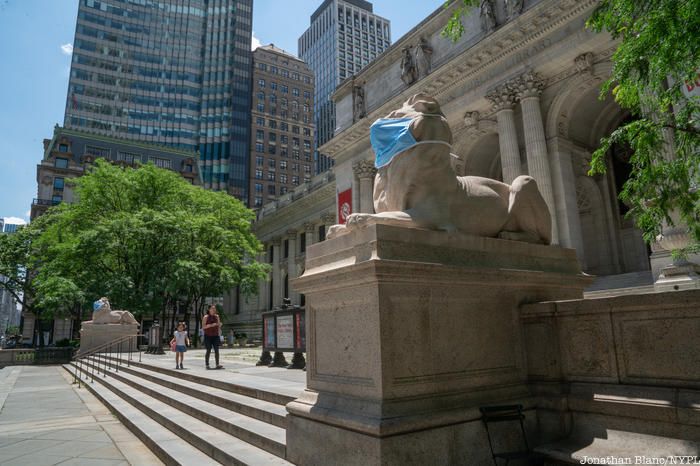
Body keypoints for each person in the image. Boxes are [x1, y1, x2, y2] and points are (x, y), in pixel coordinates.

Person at [202, 305, 223, 369]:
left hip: (215, 335)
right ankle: (207, 365)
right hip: (208, 336)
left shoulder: (217, 316)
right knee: (208, 350)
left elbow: (219, 326)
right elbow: (203, 327)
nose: (214, 310)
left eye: (214, 309)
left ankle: (217, 364)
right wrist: (211, 325)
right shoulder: (206, 317)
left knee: (217, 350)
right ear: (209, 310)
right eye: (212, 308)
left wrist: (220, 325)